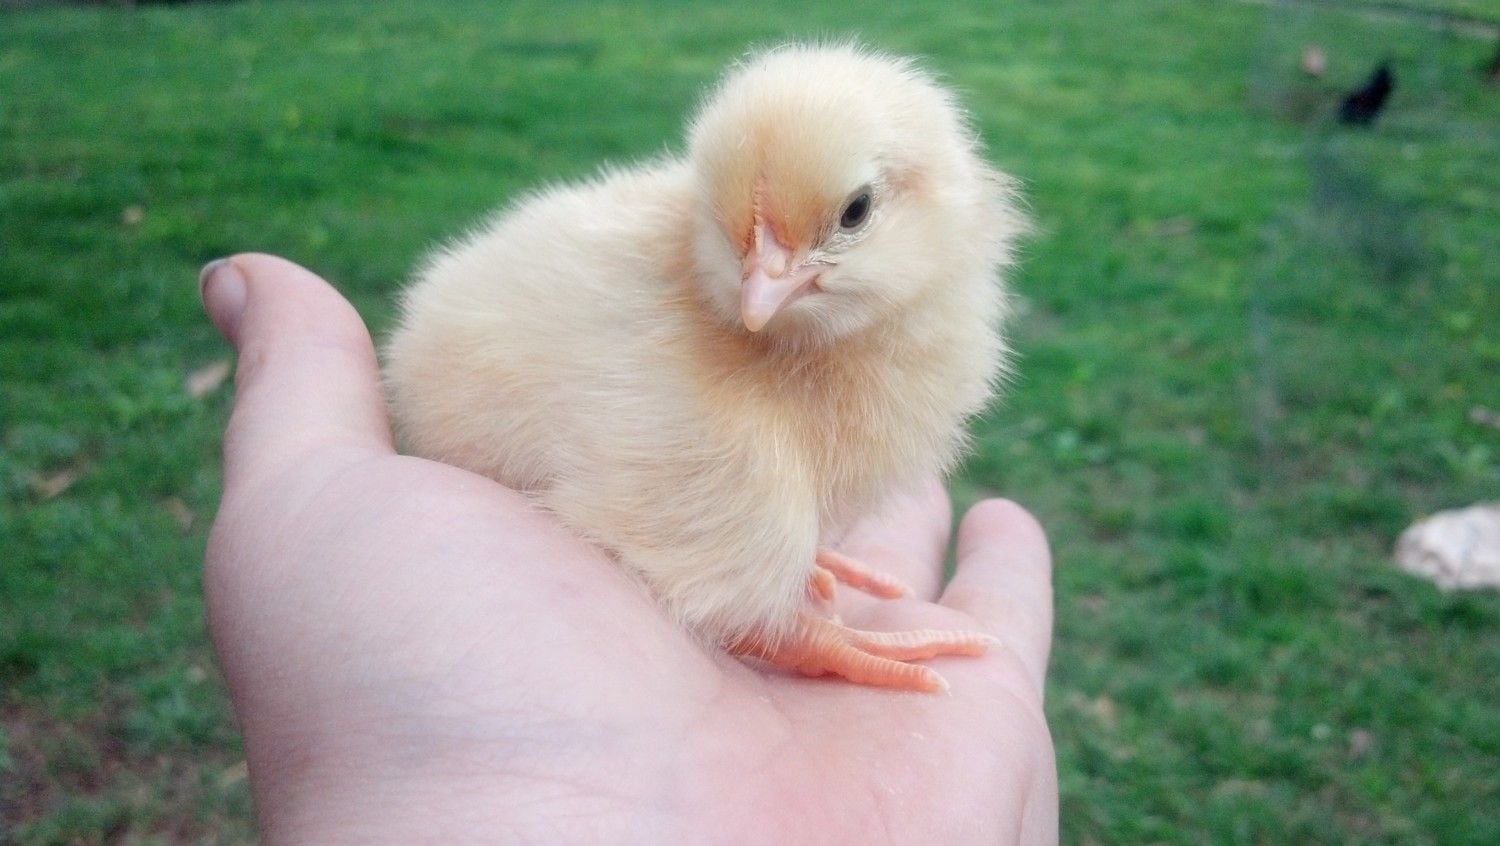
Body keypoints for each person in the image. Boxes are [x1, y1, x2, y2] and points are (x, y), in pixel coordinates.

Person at [199, 253, 1059, 843]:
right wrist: (769, 612)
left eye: (850, 216)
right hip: (534, 409)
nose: (764, 278)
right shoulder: (722, 386)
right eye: (747, 234)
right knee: (728, 418)